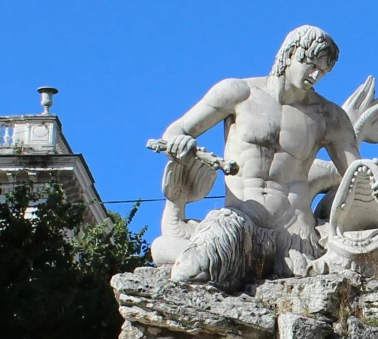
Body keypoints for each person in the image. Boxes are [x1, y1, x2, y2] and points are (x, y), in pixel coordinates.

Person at [149, 26, 362, 284]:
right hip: (241, 222)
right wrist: (178, 143)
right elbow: (177, 129)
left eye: (323, 71)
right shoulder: (239, 93)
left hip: (296, 234)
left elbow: (357, 175)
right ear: (290, 54)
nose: (315, 75)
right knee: (190, 271)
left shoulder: (329, 116)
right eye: (311, 64)